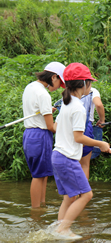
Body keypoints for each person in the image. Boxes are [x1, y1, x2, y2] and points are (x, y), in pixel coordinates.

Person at [51, 63, 111, 239]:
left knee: (69, 197)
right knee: (86, 194)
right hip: (66, 158)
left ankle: (59, 230)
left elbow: (59, 128)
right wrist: (100, 143)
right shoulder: (78, 107)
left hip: (58, 156)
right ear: (84, 83)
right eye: (90, 83)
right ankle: (64, 229)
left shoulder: (65, 103)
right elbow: (78, 137)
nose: (90, 86)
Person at [22, 61, 66, 208]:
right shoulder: (43, 94)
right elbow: (50, 126)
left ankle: (42, 204)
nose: (60, 87)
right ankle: (36, 211)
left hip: (29, 133)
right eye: (60, 83)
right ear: (54, 77)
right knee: (38, 175)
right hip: (40, 135)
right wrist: (64, 126)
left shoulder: (30, 87)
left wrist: (48, 111)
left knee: (42, 173)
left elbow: (35, 111)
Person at [79, 86, 106, 179]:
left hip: (70, 127)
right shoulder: (92, 91)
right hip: (86, 126)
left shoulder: (69, 91)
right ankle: (83, 192)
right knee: (84, 165)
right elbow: (98, 104)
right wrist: (102, 120)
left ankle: (73, 193)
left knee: (73, 164)